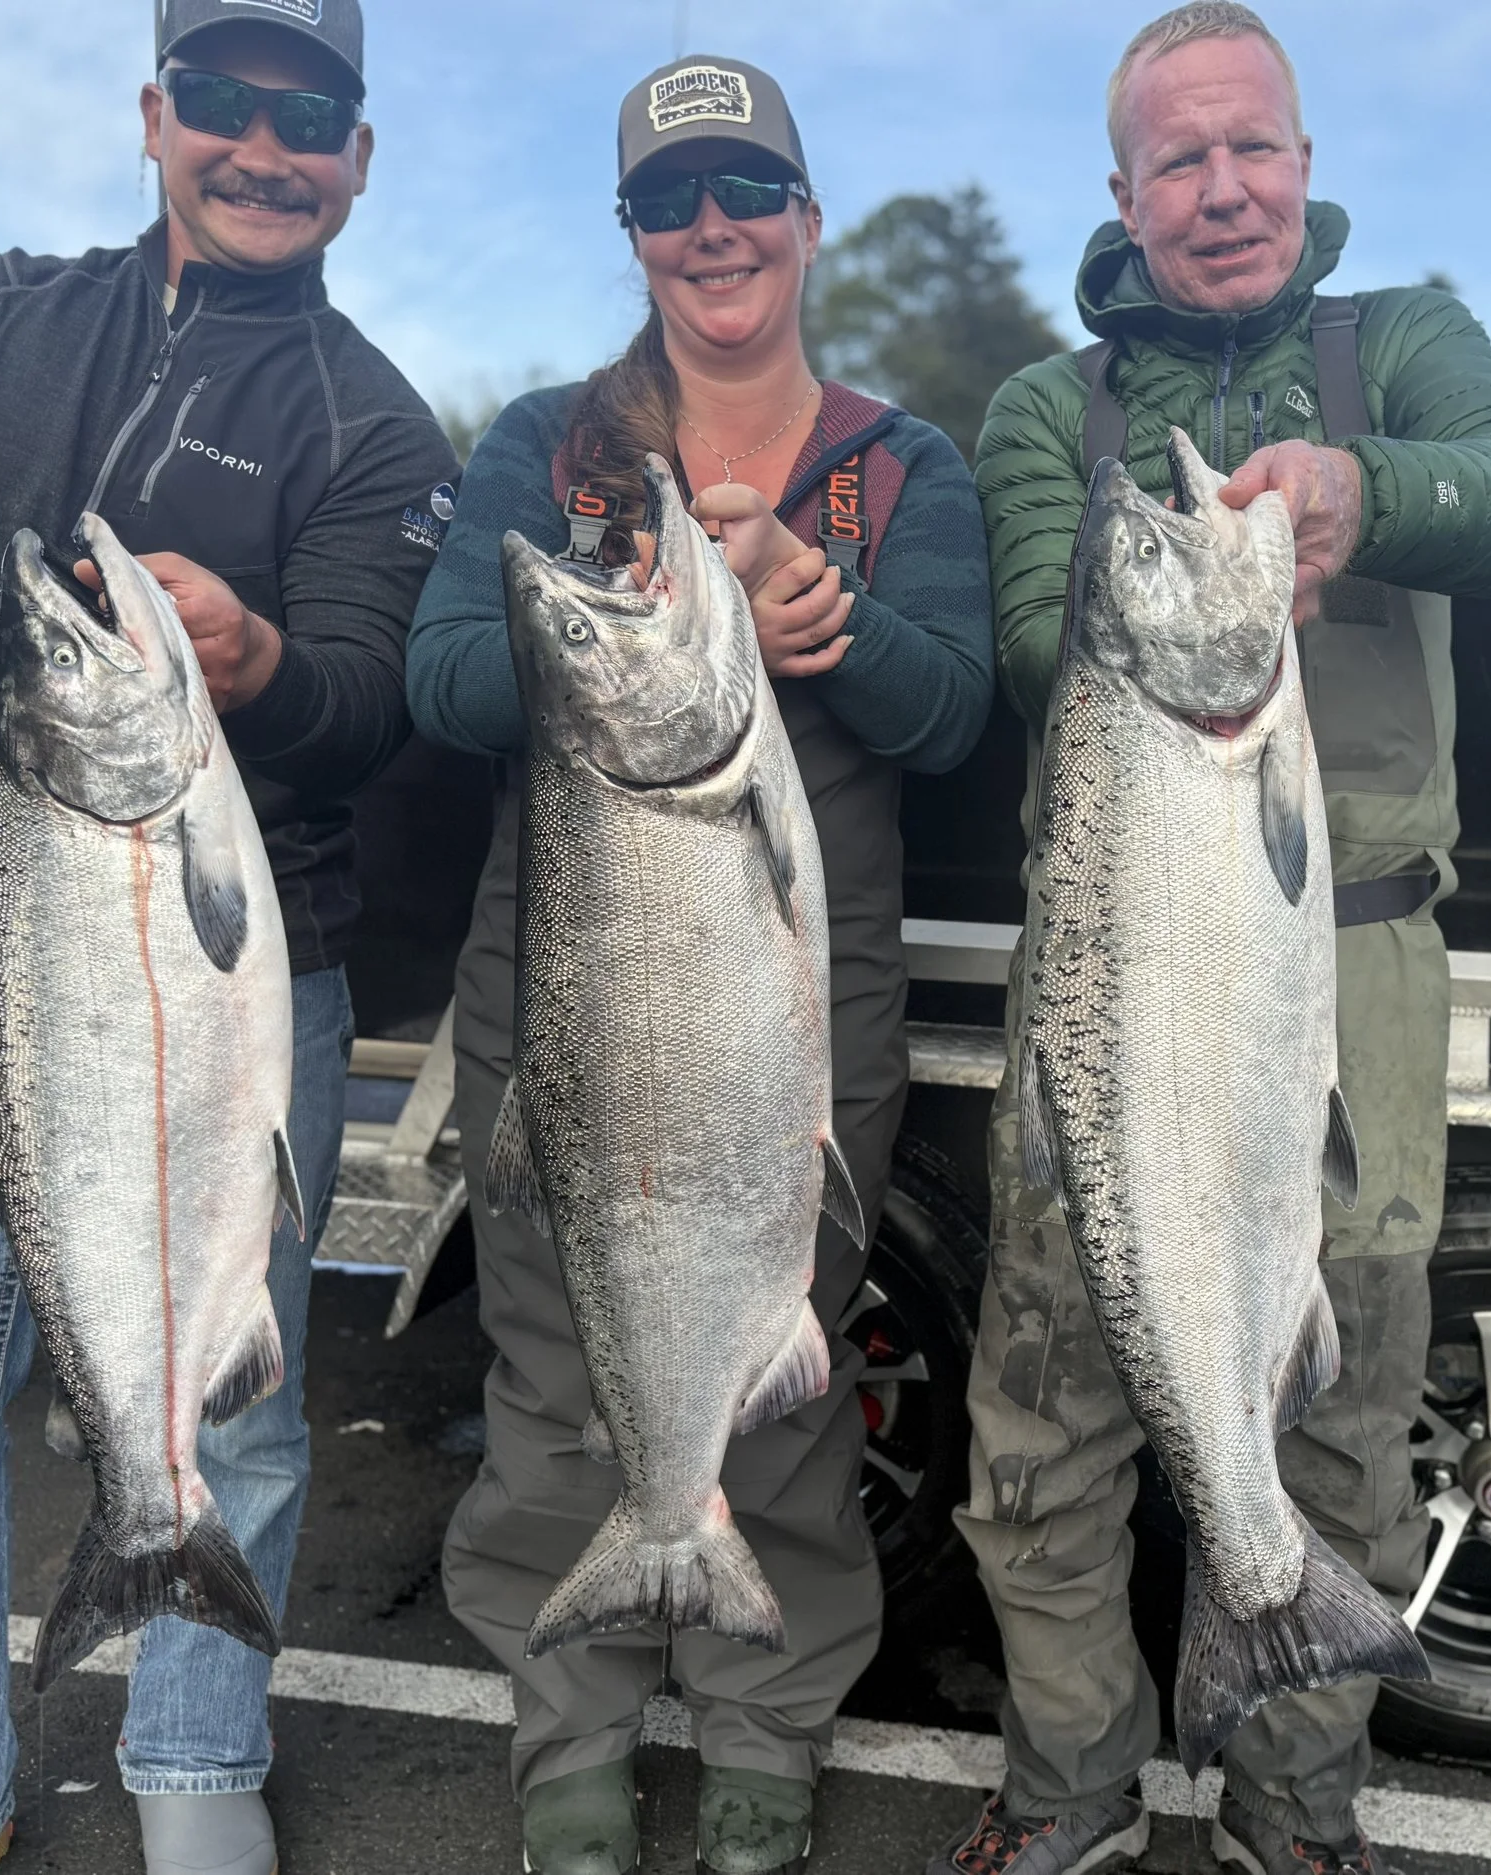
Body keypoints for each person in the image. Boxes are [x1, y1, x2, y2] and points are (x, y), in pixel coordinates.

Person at [0, 4, 458, 1871]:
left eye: (310, 116)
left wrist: (263, 661)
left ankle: (196, 1748)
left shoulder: (374, 419)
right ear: (152, 119)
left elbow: (371, 703)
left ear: (359, 157)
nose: (263, 146)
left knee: (245, 1400)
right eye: (221, 102)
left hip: (238, 983)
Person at [932, 7, 1491, 1873]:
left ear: (1303, 158)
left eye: (1253, 149)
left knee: (1342, 1424)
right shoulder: (1054, 407)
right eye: (1179, 162)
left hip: (1344, 977)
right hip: (1116, 975)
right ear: (1121, 198)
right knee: (1044, 1429)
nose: (1223, 191)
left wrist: (1370, 493)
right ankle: (1066, 1792)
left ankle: (1294, 1813)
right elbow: (1050, 647)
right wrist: (1203, 576)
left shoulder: (1409, 343)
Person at [404, 53, 995, 1875]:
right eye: (672, 202)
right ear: (635, 237)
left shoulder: (905, 464)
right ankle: (567, 1735)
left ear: (806, 222)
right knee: (551, 1373)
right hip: (568, 991)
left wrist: (834, 628)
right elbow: (442, 687)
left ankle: (764, 1719)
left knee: (790, 1367)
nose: (712, 230)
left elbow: (960, 712)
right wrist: (615, 622)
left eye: (747, 192)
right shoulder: (545, 443)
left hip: (799, 1012)